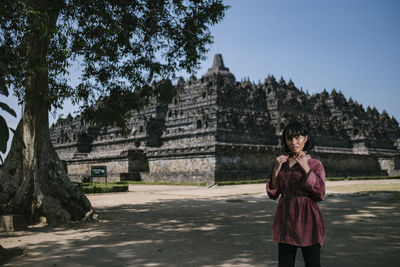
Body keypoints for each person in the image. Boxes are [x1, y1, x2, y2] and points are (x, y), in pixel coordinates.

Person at [266, 122, 326, 267]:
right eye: (289, 138)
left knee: (312, 263)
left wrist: (307, 169)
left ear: (305, 138)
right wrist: (275, 171)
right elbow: (273, 193)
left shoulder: (315, 164)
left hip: (307, 219)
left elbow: (320, 194)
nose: (294, 142)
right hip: (285, 218)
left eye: (298, 137)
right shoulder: (282, 163)